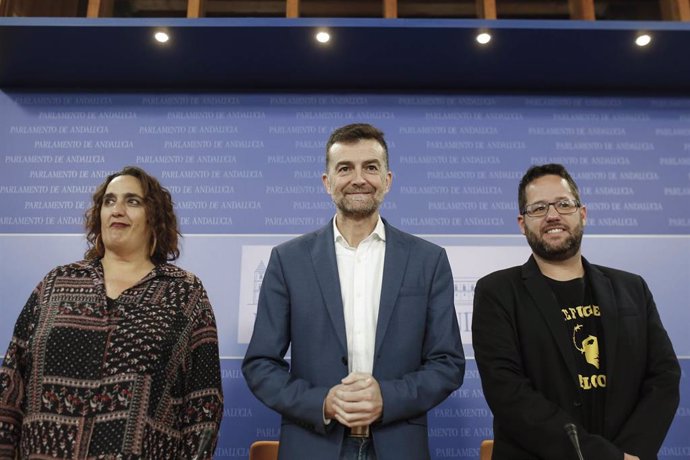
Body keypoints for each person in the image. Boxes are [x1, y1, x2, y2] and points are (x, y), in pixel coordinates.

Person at [242, 123, 465, 460]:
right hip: (313, 445)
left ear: (387, 180)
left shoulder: (428, 260)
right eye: (345, 168)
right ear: (327, 182)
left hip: (398, 446)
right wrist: (323, 403)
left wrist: (387, 398)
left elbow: (447, 363)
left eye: (370, 167)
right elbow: (260, 364)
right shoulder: (288, 260)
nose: (358, 178)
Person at [0, 166, 224, 459]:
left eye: (132, 201)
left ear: (154, 217)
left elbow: (204, 406)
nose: (117, 210)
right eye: (109, 201)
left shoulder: (184, 293)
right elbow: (11, 384)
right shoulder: (56, 283)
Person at [472, 163, 680, 460]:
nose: (552, 215)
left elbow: (664, 377)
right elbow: (509, 395)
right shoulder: (497, 292)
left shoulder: (632, 288)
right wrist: (603, 457)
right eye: (538, 208)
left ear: (582, 213)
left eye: (563, 204)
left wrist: (630, 454)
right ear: (522, 223)